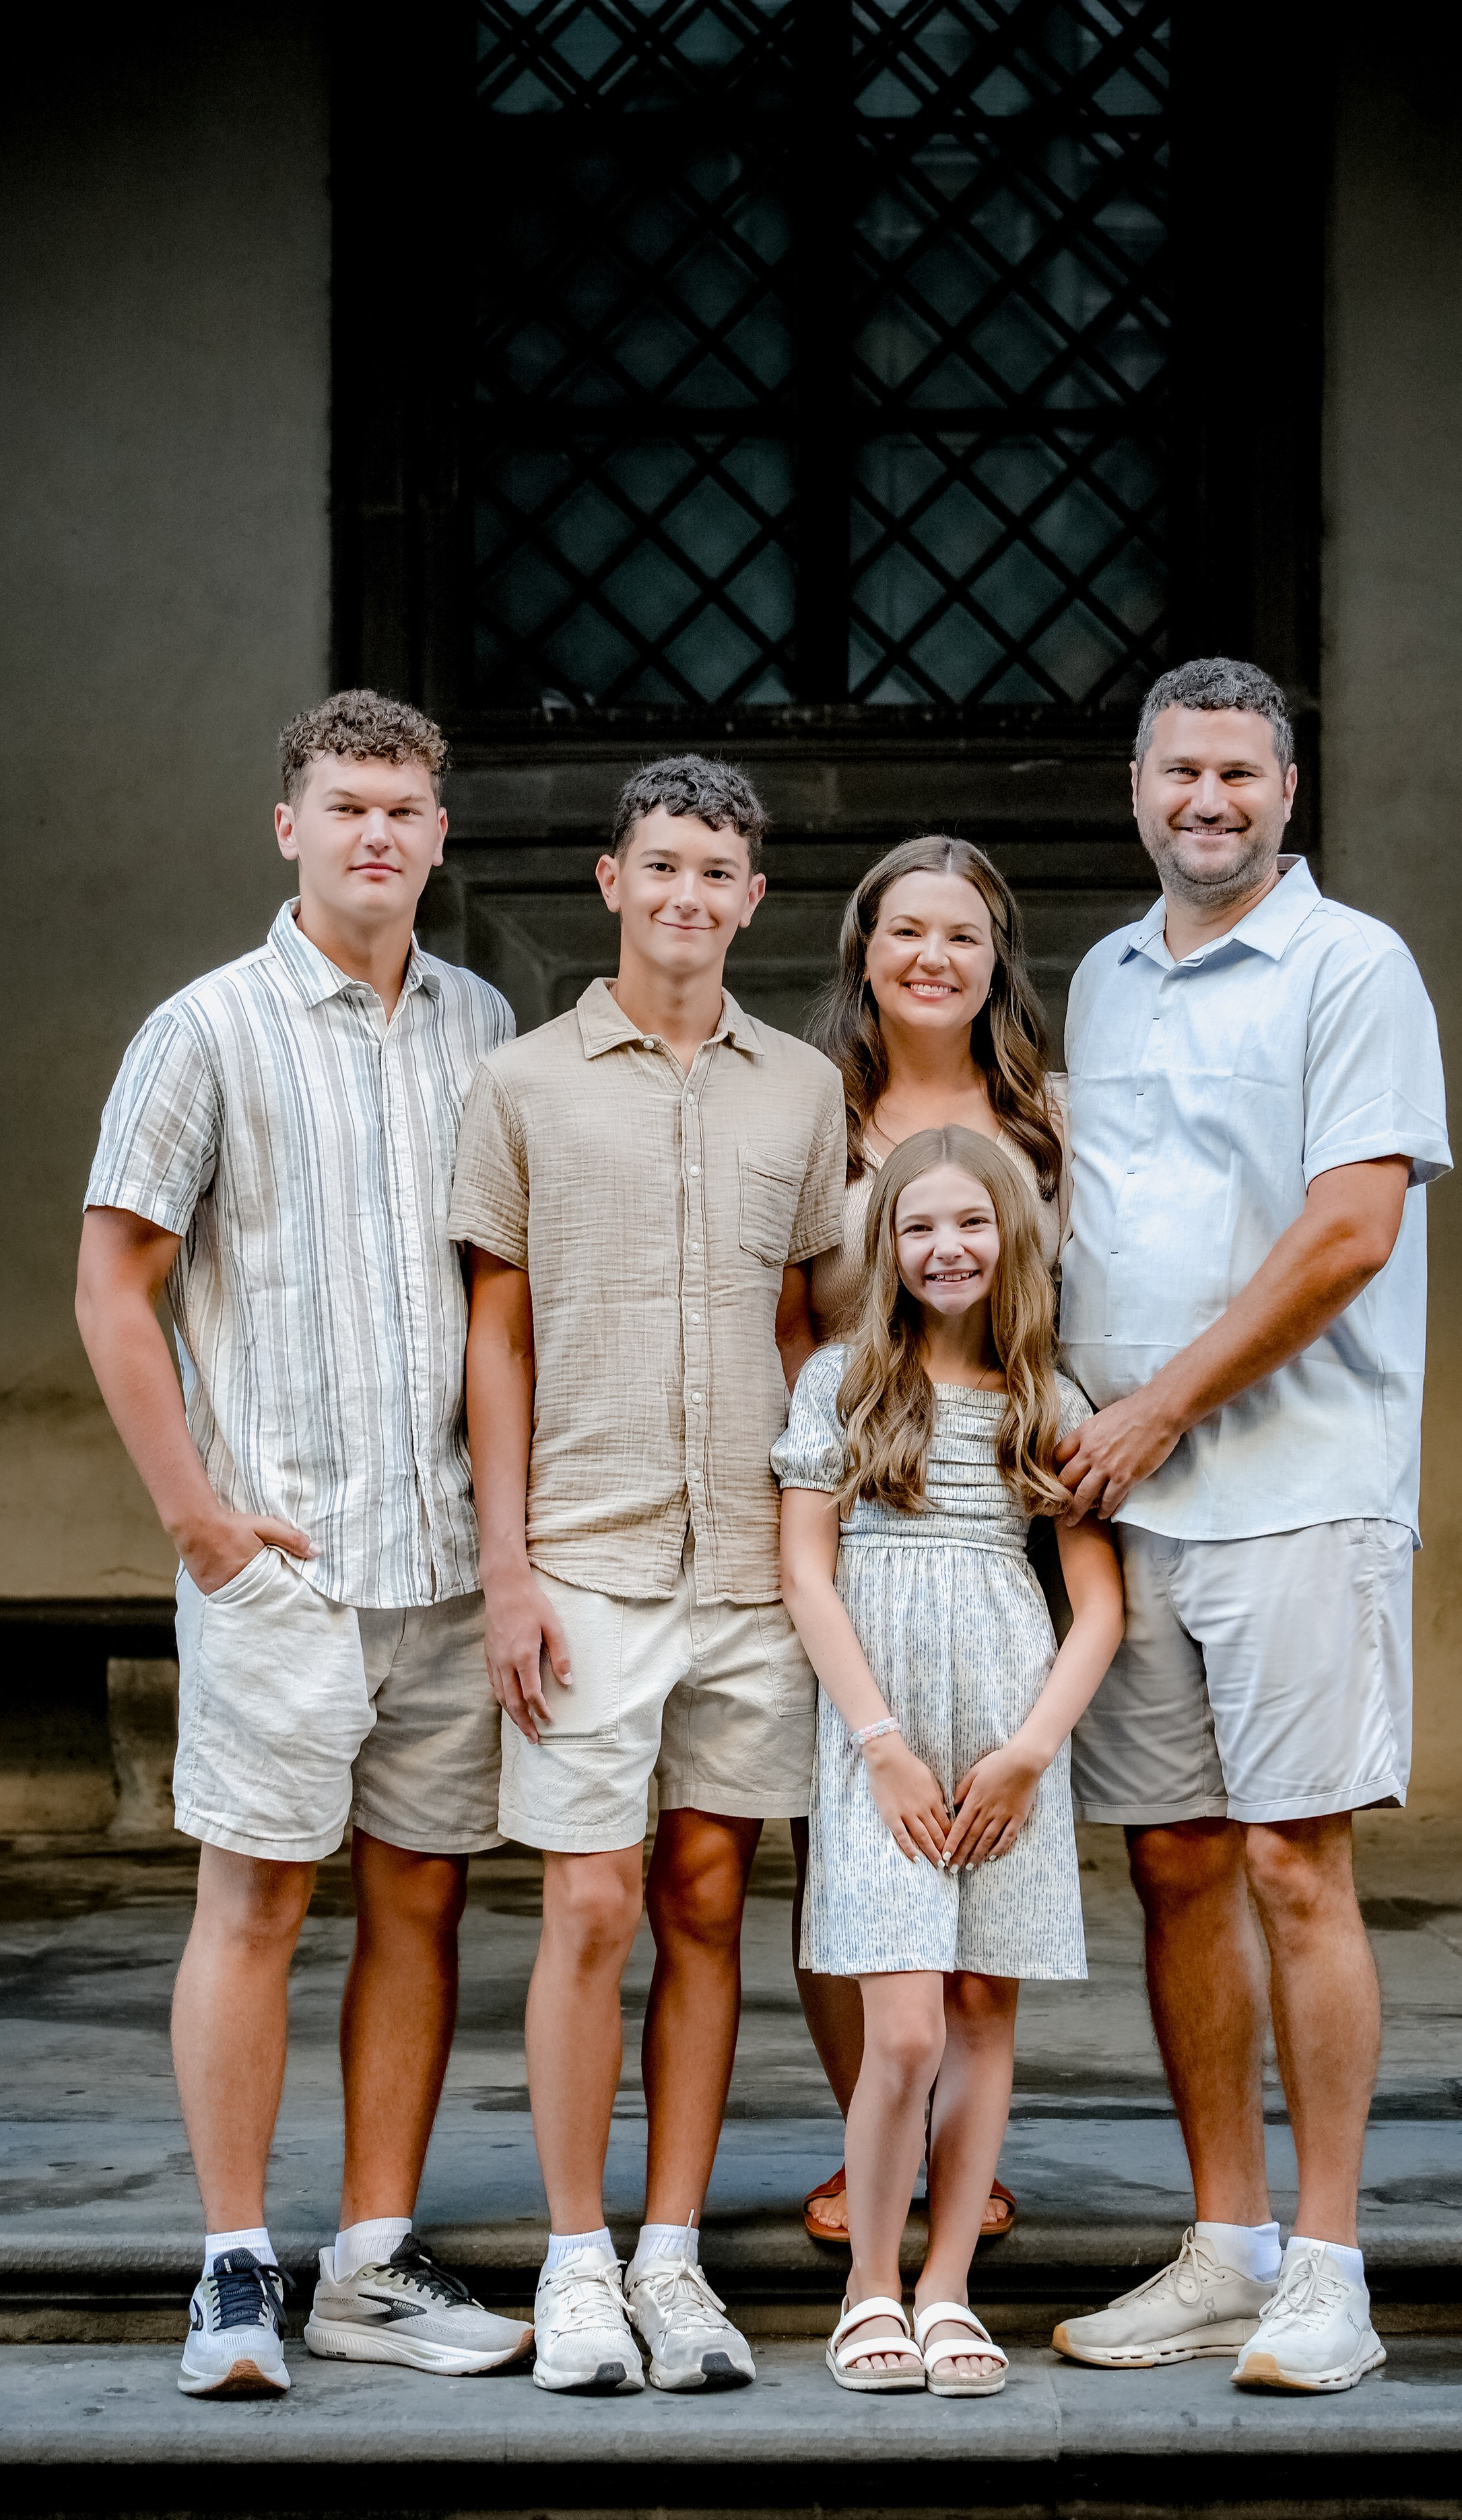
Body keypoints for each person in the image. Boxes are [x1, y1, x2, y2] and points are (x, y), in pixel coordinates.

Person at [75, 689, 531, 2399]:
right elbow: (113, 1291)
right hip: (283, 1561)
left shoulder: (484, 1018)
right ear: (290, 827)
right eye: (346, 806)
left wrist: (508, 1549)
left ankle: (370, 2258)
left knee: (421, 1910)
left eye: (407, 809)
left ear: (437, 831)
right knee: (255, 1907)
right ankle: (229, 2270)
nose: (377, 836)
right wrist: (197, 1518)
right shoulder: (200, 1031)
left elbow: (503, 1304)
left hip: (436, 1558)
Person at [1050, 657, 1451, 2395]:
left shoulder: (1355, 967)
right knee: (1175, 1865)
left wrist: (1155, 1407)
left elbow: (1349, 1229)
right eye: (1179, 771)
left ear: (1290, 792)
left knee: (1295, 1862)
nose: (1206, 800)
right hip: (1134, 1504)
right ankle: (1229, 2244)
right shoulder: (1104, 979)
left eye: (1239, 773)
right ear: (1135, 786)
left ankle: (1332, 2267)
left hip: (1299, 1489)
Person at [451, 753, 846, 2397]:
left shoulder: (800, 1091)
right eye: (660, 866)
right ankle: (573, 2263)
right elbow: (497, 1332)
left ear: (753, 901)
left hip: (748, 1566)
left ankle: (673, 2255)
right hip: (590, 1556)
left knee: (703, 1901)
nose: (687, 896)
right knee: (591, 1904)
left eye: (718, 873)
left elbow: (811, 1326)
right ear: (609, 882)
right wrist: (504, 1564)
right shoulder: (523, 1085)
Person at [775, 1128, 1121, 2393]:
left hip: (1005, 1735)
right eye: (920, 1228)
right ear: (887, 1248)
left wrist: (1031, 1754)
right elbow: (807, 1576)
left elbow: (1098, 1610)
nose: (947, 1248)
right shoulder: (845, 1389)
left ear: (1010, 1239)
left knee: (981, 2015)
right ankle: (870, 2285)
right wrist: (879, 1746)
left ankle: (946, 2290)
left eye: (971, 1224)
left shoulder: (1048, 1400)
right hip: (886, 1740)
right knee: (906, 2032)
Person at [795, 835, 1069, 2245]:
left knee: (974, 1839)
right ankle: (877, 2146)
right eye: (905, 931)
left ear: (992, 958)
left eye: (961, 935)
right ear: (864, 948)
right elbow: (789, 1316)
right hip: (843, 1484)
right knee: (851, 1850)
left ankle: (948, 2155)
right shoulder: (811, 1109)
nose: (930, 959)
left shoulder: (1042, 1118)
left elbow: (1066, 1307)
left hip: (990, 1495)